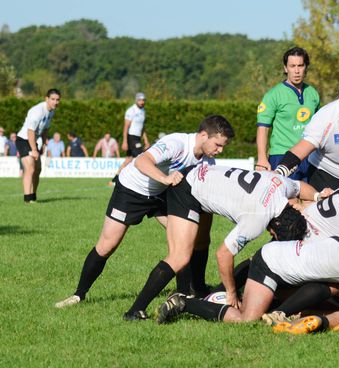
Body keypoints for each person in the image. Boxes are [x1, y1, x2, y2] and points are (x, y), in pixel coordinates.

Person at [54, 115, 234, 309]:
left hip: (161, 195)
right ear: (204, 135)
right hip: (132, 191)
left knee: (186, 239)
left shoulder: (207, 161)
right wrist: (165, 179)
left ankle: (186, 293)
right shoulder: (176, 143)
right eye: (217, 145)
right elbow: (142, 161)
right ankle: (79, 294)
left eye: (223, 146)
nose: (220, 150)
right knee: (108, 245)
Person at [123, 162, 325, 320]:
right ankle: (135, 310)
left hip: (201, 176)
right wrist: (231, 294)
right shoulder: (258, 218)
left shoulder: (280, 185)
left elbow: (299, 187)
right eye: (274, 237)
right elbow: (223, 254)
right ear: (274, 229)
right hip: (186, 189)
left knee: (201, 243)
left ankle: (195, 292)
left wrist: (317, 196)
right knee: (179, 256)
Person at [156, 236, 339, 331]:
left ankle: (280, 311)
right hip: (272, 264)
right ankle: (185, 304)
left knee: (333, 284)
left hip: (285, 259)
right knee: (248, 319)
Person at [255, 47, 319, 180]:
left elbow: (320, 127)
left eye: (300, 66)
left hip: (309, 156)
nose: (296, 70)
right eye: (292, 66)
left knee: (312, 198)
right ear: (285, 68)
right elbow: (263, 129)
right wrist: (261, 158)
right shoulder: (273, 95)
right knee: (287, 199)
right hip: (281, 156)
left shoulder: (313, 93)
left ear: (306, 67)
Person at [16, 88, 61, 203]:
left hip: (34, 140)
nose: (55, 102)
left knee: (38, 169)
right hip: (24, 139)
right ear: (46, 99)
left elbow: (45, 129)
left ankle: (33, 197)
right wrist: (34, 150)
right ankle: (27, 199)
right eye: (53, 99)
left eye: (57, 100)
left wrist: (44, 143)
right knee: (30, 167)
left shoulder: (51, 111)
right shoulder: (38, 111)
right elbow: (30, 131)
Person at [113, 93, 150, 180]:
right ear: (136, 100)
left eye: (143, 100)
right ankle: (141, 178)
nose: (142, 102)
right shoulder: (131, 110)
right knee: (141, 156)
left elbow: (142, 128)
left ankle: (116, 178)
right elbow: (126, 127)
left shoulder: (143, 111)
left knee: (129, 159)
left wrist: (146, 140)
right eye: (140, 100)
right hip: (131, 137)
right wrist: (124, 141)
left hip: (137, 138)